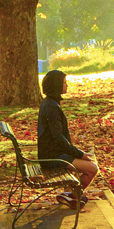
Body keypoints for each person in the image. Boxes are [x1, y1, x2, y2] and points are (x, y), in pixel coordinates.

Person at [37, 69, 98, 209]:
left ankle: (69, 195)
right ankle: (72, 195)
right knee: (92, 169)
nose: (67, 85)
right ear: (56, 85)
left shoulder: (49, 103)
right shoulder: (52, 107)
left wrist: (75, 153)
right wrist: (79, 154)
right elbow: (58, 138)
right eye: (64, 82)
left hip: (52, 153)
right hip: (52, 157)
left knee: (86, 162)